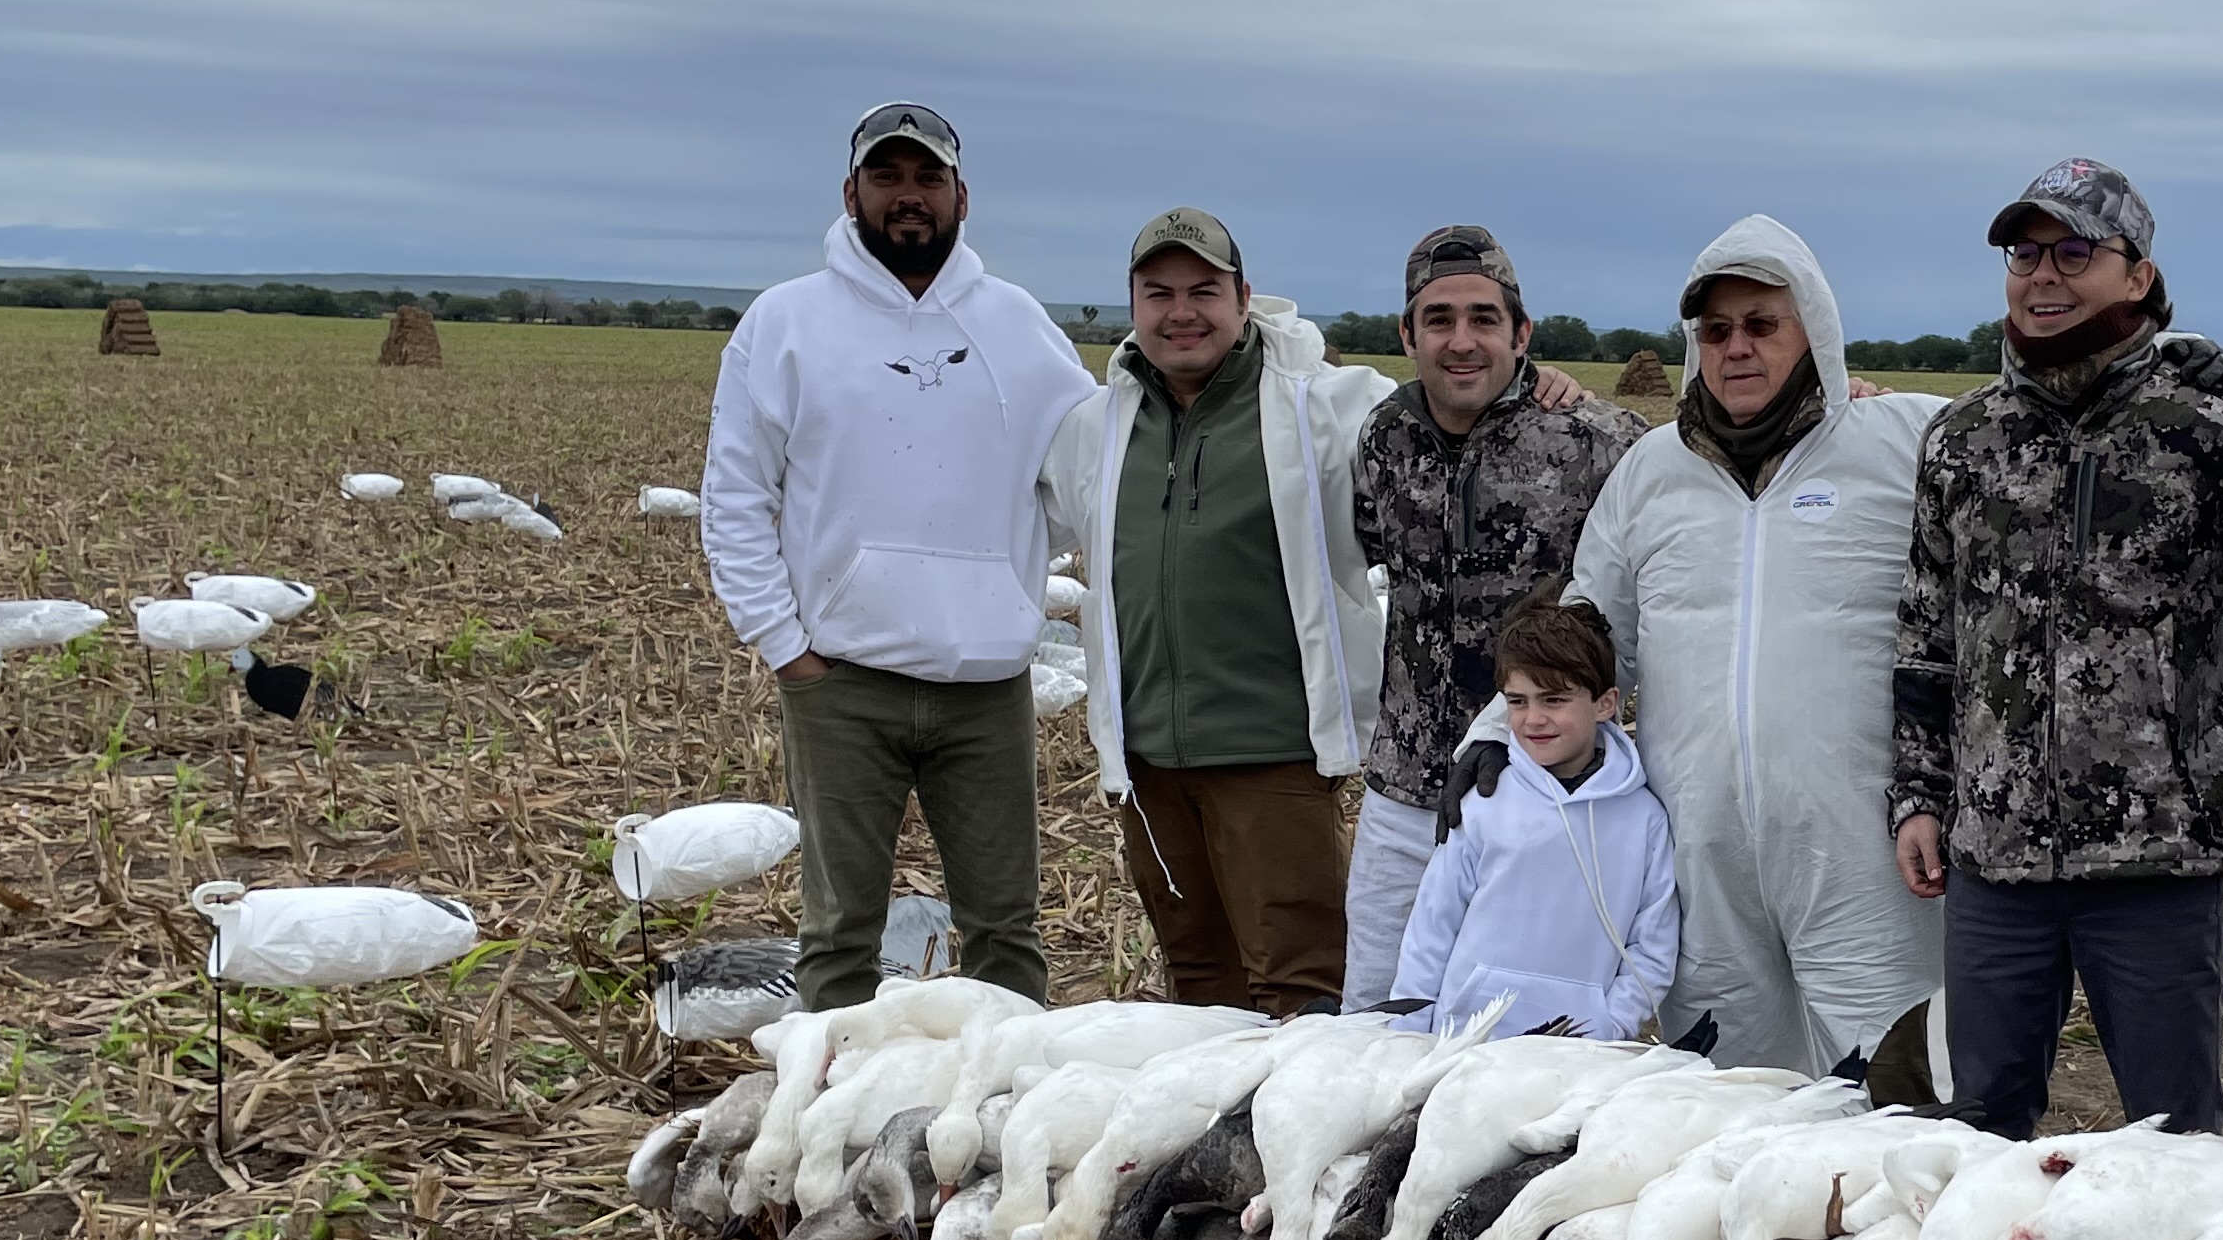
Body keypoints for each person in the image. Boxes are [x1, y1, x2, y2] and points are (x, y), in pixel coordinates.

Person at [1890, 159, 2223, 1141]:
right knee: (1979, 1134)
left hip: (2156, 863)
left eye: (2076, 251)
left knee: (2176, 1139)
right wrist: (1917, 793)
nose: (2044, 275)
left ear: (2139, 275)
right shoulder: (1963, 440)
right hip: (1996, 864)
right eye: (2025, 252)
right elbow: (1925, 633)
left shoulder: (2214, 433)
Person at [701, 101, 1096, 1008]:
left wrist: (1009, 569)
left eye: (927, 178)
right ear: (851, 193)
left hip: (987, 686)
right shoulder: (784, 324)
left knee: (1004, 927)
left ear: (962, 195)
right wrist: (785, 648)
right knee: (839, 932)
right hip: (840, 683)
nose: (908, 197)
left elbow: (1083, 479)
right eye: (887, 177)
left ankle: (1003, 1114)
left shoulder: (1019, 327)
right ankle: (828, 1118)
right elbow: (735, 497)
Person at [1567, 219, 1943, 1082]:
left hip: (1864, 849)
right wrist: (1496, 742)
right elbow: (1585, 639)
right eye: (1715, 331)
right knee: (1726, 1098)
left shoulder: (1902, 443)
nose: (1736, 348)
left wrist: (2171, 367)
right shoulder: (1650, 472)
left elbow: (2036, 436)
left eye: (1762, 324)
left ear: (1815, 328)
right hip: (1699, 857)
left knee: (1888, 1090)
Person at [1038, 209, 1400, 1015]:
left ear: (1243, 296)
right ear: (1132, 304)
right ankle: (1214, 1143)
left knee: (1301, 988)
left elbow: (1455, 414)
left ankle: (1299, 1140)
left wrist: (1537, 382)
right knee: (1199, 986)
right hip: (1145, 766)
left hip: (1271, 754)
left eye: (1204, 290)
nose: (1181, 312)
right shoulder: (1094, 429)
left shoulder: (1326, 409)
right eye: (1158, 292)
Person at [1342, 225, 1642, 1008]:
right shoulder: (1384, 437)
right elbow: (1370, 542)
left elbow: (1710, 468)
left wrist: (1842, 403)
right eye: (1438, 320)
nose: (1461, 340)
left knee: (1512, 1023)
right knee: (1374, 1010)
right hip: (1404, 787)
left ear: (1522, 333)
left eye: (1484, 318)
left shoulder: (1591, 439)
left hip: (1535, 788)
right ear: (1408, 334)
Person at [1388, 592, 1678, 1043]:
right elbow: (1431, 927)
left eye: (1554, 700)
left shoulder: (1645, 819)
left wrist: (1611, 1023)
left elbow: (1653, 945)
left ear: (1605, 704)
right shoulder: (1483, 801)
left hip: (1576, 1050)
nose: (1533, 719)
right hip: (1463, 1043)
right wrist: (1407, 1033)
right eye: (1517, 701)